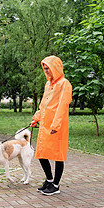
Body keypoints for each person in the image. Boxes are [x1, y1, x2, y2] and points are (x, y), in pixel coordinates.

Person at [31, 55, 72, 195]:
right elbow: (44, 105)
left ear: (56, 68)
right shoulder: (48, 84)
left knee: (57, 155)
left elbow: (62, 106)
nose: (46, 71)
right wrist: (36, 118)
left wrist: (56, 125)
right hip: (45, 125)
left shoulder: (65, 84)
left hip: (57, 126)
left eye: (48, 68)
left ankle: (56, 185)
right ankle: (49, 180)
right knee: (41, 153)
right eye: (45, 68)